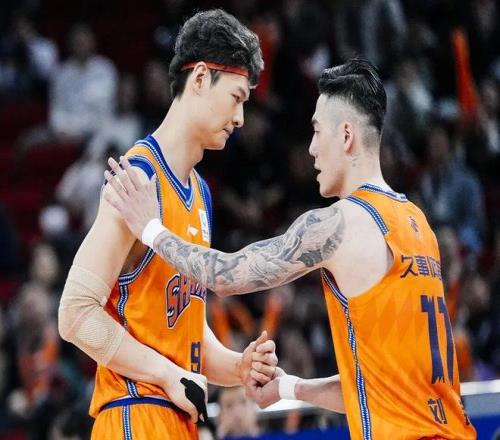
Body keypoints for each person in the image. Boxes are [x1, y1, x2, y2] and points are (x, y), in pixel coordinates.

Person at [104, 58, 477, 439]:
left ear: (346, 135)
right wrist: (287, 388)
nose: (311, 149)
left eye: (316, 132)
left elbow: (226, 276)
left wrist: (151, 228)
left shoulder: (340, 223)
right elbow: (381, 389)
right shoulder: (417, 224)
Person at [57, 9, 277, 440]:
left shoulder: (200, 192)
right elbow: (75, 313)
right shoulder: (139, 178)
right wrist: (165, 374)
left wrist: (238, 366)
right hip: (134, 412)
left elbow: (185, 330)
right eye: (236, 98)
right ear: (200, 78)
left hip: (177, 416)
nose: (240, 118)